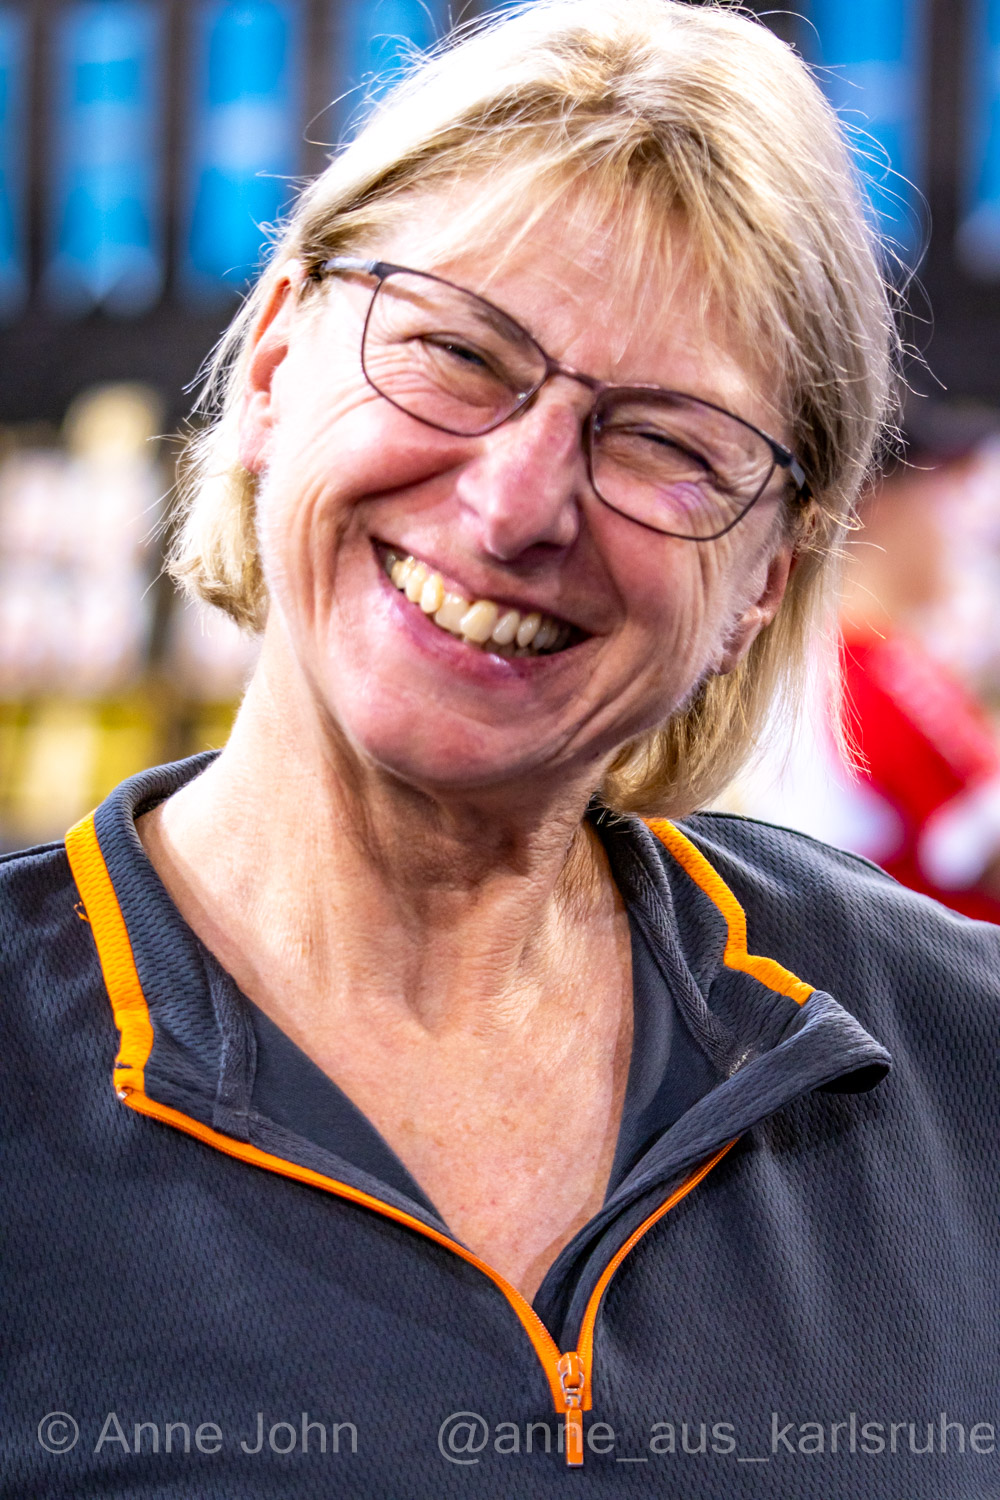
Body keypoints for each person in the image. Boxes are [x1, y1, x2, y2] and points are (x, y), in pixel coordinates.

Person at [4, 2, 999, 1495]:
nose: (519, 505)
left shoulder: (959, 1061)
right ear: (273, 362)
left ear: (763, 585)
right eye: (458, 354)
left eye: (667, 442)